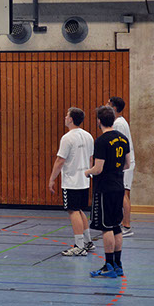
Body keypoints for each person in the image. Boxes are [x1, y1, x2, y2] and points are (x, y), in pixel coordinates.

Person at [85, 106, 131, 278]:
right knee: (116, 226)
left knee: (106, 228)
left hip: (105, 188)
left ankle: (108, 265)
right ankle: (118, 265)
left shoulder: (101, 141)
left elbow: (98, 168)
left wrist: (87, 172)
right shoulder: (123, 138)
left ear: (99, 121)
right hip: (119, 186)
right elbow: (127, 164)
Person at [47, 107, 95, 256]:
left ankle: (79, 246)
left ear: (71, 119)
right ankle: (87, 241)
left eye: (67, 116)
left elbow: (60, 160)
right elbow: (91, 158)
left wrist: (52, 179)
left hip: (72, 181)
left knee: (73, 211)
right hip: (84, 180)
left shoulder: (67, 138)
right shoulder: (88, 136)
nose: (65, 118)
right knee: (79, 210)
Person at [108, 96, 136, 237]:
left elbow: (120, 144)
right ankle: (122, 223)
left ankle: (126, 226)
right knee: (123, 193)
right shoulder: (120, 122)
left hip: (125, 164)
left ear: (114, 108)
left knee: (123, 194)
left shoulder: (118, 124)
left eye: (108, 104)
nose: (106, 105)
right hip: (125, 163)